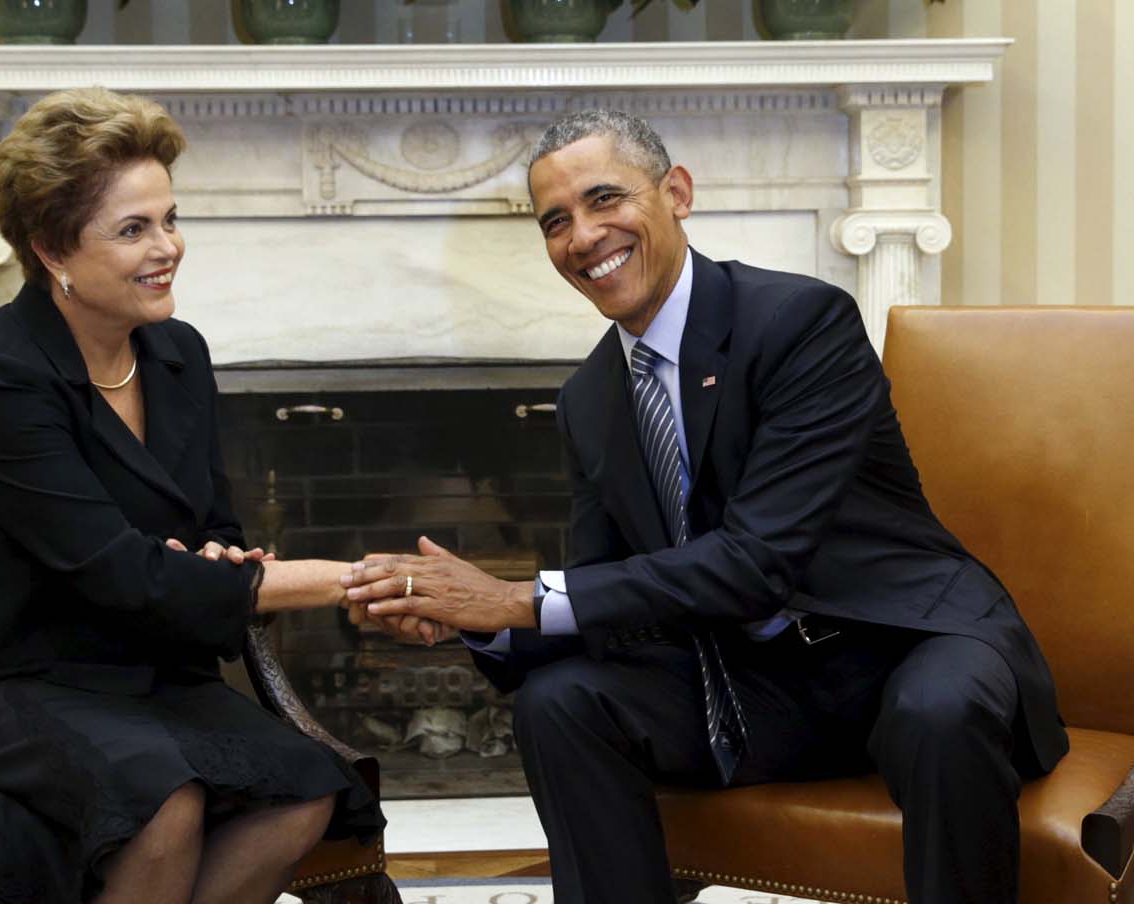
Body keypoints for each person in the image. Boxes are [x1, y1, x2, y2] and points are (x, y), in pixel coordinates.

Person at [342, 110, 1068, 904]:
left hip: (903, 640)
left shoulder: (800, 323)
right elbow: (608, 596)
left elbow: (759, 561)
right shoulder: (589, 399)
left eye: (604, 200)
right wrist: (481, 620)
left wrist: (517, 596)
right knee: (563, 704)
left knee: (937, 710)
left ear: (677, 192)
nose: (582, 236)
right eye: (556, 221)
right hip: (757, 684)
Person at [0, 87, 382, 904]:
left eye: (169, 219)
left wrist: (220, 555)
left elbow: (211, 524)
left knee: (305, 791)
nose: (167, 247)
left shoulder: (177, 355)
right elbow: (122, 573)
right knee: (162, 806)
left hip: (133, 676)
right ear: (51, 249)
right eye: (133, 229)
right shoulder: (0, 382)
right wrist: (345, 579)